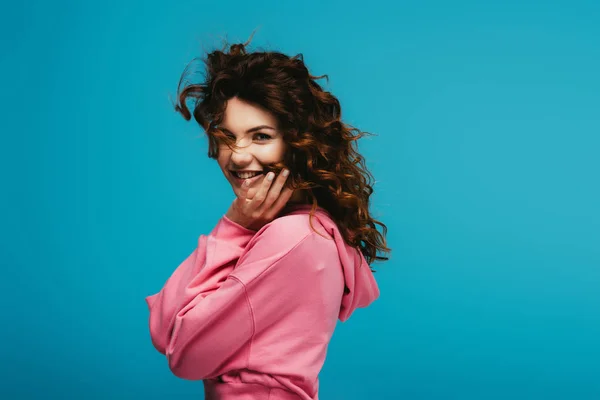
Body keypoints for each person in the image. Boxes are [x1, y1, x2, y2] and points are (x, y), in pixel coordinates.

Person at [145, 33, 391, 400]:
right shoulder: (299, 229)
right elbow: (166, 331)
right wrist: (236, 228)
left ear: (298, 142)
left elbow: (184, 357)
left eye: (260, 136)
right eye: (228, 136)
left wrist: (234, 228)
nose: (238, 155)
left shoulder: (292, 238)